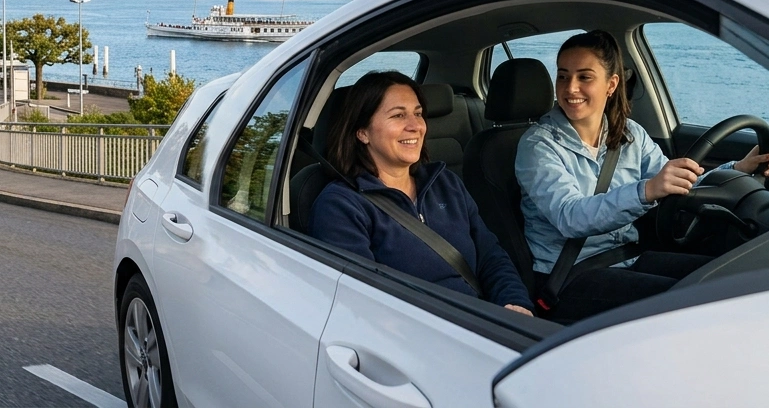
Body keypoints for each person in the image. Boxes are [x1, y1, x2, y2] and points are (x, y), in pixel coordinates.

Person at [516, 30, 769, 322]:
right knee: (696, 305)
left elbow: (673, 181)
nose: (570, 88)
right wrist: (646, 191)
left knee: (726, 280)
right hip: (569, 276)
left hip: (627, 257)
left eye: (584, 77)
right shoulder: (537, 145)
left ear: (611, 84)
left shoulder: (630, 134)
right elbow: (570, 217)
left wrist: (738, 169)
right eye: (563, 76)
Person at [311, 71, 534, 314]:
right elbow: (365, 304)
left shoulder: (445, 184)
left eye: (418, 114)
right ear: (362, 132)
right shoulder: (341, 206)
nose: (416, 126)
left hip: (484, 322)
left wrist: (515, 304)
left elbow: (490, 256)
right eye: (398, 115)